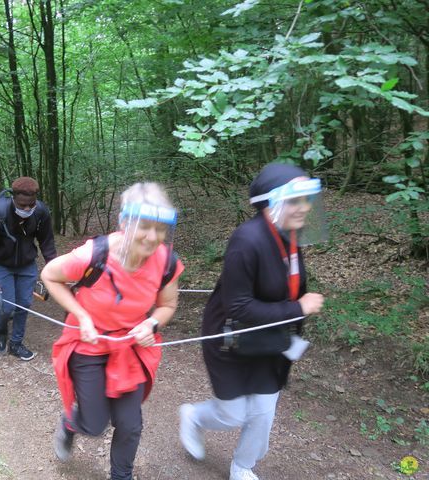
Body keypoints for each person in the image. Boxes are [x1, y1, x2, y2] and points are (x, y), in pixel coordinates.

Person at [178, 163, 326, 480]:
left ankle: (242, 466)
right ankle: (192, 416)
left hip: (270, 339)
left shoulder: (290, 237)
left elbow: (286, 287)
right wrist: (298, 308)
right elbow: (239, 307)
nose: (305, 207)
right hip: (228, 337)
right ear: (273, 201)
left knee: (262, 413)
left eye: (307, 199)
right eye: (296, 200)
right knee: (232, 414)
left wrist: (292, 325)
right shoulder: (247, 240)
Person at [41, 182, 184, 480]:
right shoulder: (96, 254)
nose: (152, 237)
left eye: (159, 229)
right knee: (94, 424)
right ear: (124, 222)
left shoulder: (166, 262)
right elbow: (49, 275)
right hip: (88, 343)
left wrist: (151, 323)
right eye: (144, 226)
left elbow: (168, 305)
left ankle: (122, 476)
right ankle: (70, 424)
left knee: (130, 424)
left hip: (129, 347)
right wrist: (81, 315)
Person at [0, 176, 57, 361]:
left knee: (23, 305)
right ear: (13, 199)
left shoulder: (41, 212)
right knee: (7, 307)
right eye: (22, 206)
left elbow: (47, 244)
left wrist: (55, 270)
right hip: (0, 264)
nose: (27, 209)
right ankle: (1, 331)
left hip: (27, 265)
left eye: (31, 205)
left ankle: (16, 343)